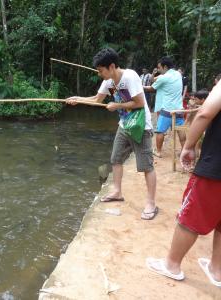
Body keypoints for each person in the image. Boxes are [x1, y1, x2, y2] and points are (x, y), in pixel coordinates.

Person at [66, 48, 157, 220]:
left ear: (112, 66)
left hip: (140, 126)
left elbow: (139, 103)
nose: (100, 74)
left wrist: (118, 106)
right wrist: (76, 99)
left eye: (101, 70)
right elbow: (96, 99)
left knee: (146, 166)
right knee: (116, 159)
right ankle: (117, 191)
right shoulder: (108, 82)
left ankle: (151, 203)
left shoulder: (130, 77)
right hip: (124, 125)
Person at [146, 80, 221, 287]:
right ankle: (217, 269)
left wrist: (188, 146)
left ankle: (172, 265)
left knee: (191, 215)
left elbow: (205, 113)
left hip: (215, 167)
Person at [144, 57, 185, 158]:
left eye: (159, 67)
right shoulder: (178, 74)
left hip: (167, 110)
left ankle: (158, 151)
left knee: (160, 131)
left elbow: (151, 88)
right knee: (180, 131)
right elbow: (155, 79)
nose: (159, 70)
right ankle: (184, 151)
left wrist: (139, 87)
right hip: (179, 109)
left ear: (165, 66)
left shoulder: (164, 77)